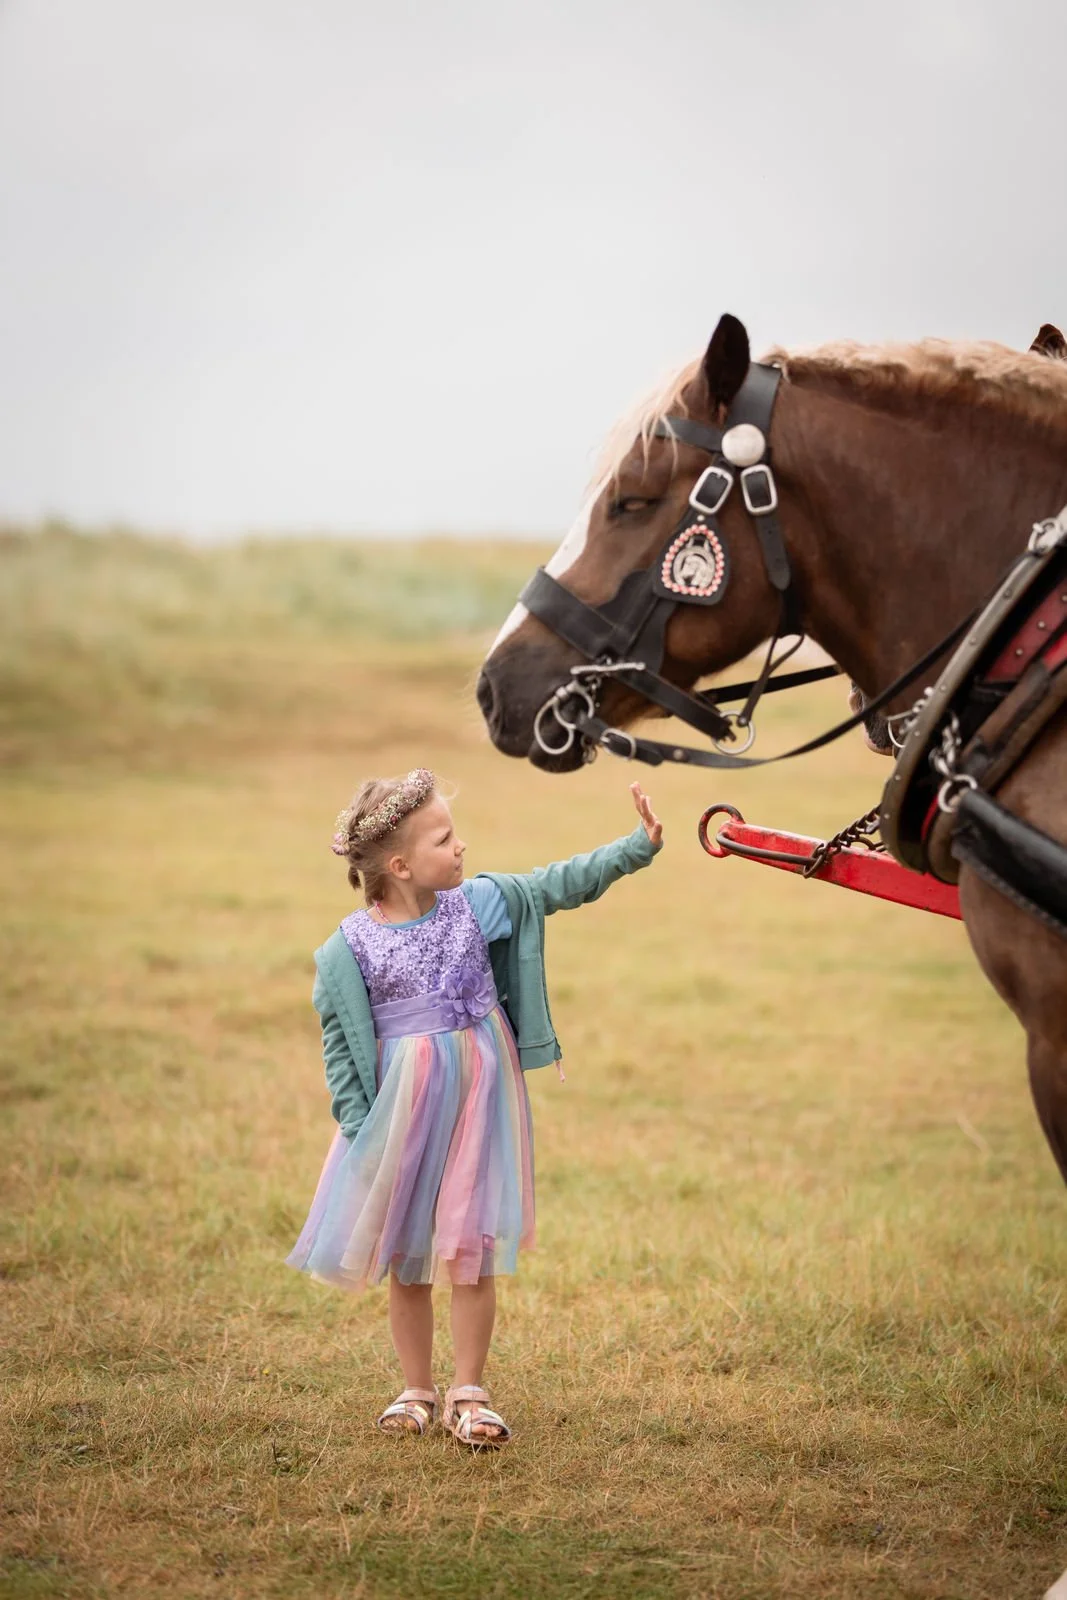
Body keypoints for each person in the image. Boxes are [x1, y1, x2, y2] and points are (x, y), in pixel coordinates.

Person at [287, 768, 663, 1447]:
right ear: (400, 866)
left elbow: (555, 886)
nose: (461, 847)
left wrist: (633, 848)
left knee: (470, 1247)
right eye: (444, 838)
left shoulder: (478, 904)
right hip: (403, 1117)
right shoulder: (348, 948)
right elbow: (340, 1047)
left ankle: (470, 1390)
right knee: (407, 1254)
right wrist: (360, 1130)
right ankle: (415, 1388)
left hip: (478, 1104)